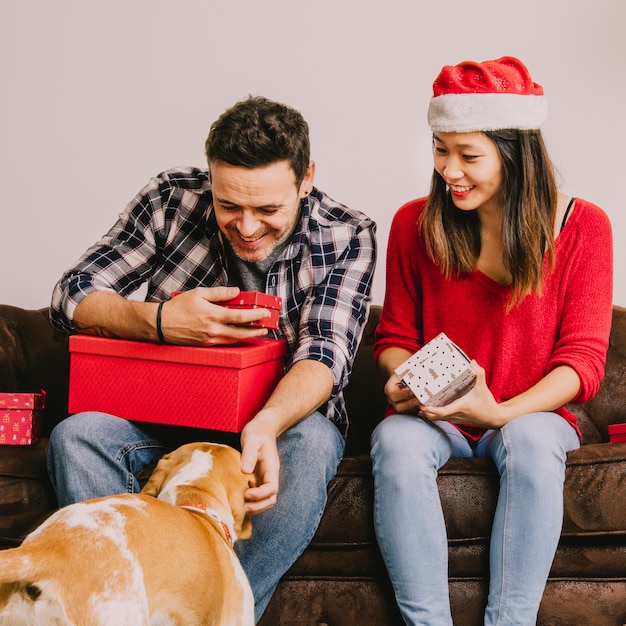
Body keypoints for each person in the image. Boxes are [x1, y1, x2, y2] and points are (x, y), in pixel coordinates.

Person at [47, 95, 377, 621]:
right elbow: (72, 294)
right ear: (211, 179)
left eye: (268, 210)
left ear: (306, 178)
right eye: (230, 206)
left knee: (313, 441)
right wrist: (160, 321)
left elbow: (325, 353)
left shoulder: (346, 232)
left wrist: (268, 422)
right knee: (77, 436)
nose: (247, 227)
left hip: (268, 431)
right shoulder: (169, 198)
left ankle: (218, 611)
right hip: (163, 427)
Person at [371, 56, 613, 625]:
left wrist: (498, 411)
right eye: (440, 149)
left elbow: (582, 363)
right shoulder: (414, 223)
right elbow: (394, 336)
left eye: (468, 156)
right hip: (439, 420)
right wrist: (403, 377)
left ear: (514, 155)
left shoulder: (585, 227)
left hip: (530, 416)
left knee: (529, 439)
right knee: (394, 440)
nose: (449, 169)